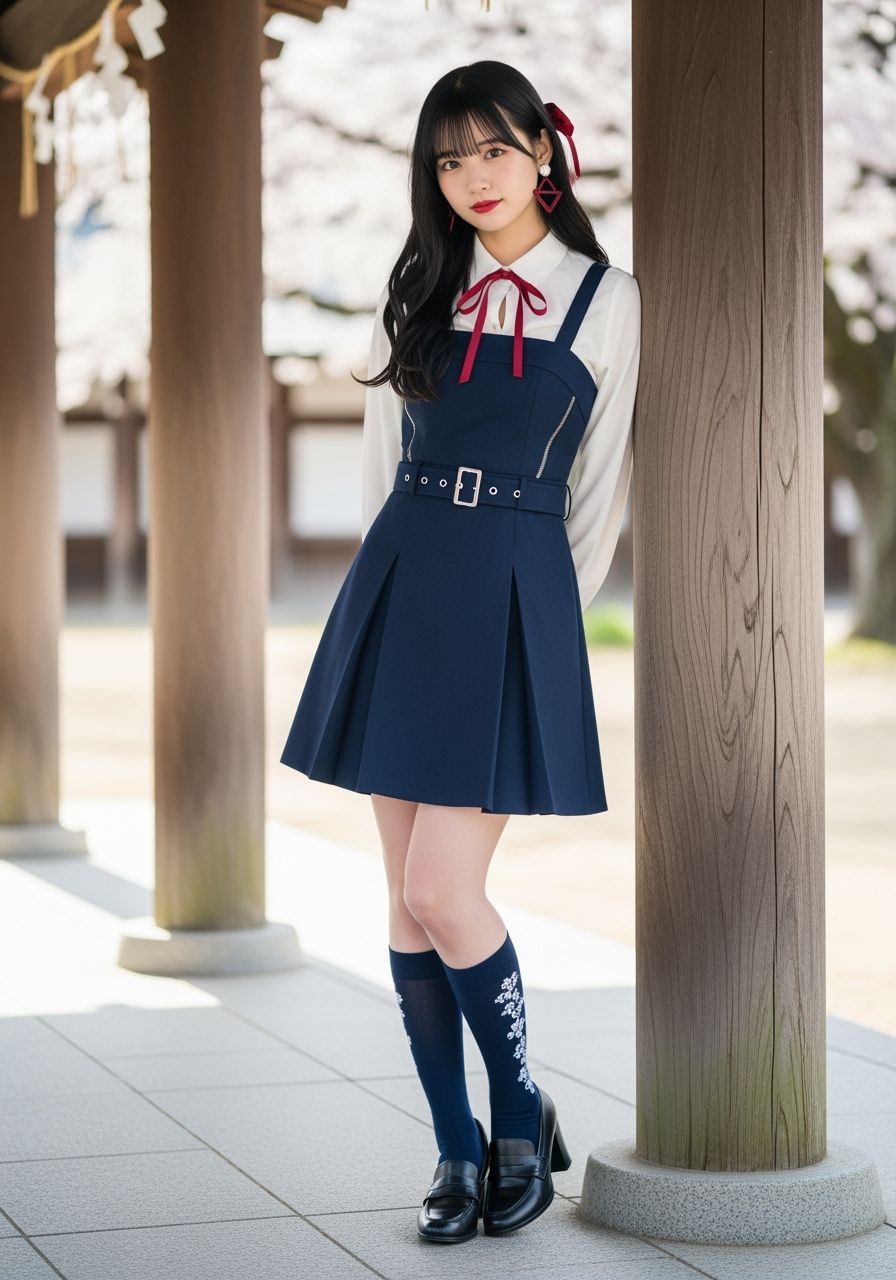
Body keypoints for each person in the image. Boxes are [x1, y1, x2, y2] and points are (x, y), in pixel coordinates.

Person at [280, 59, 641, 1243]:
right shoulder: (422, 295)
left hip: (511, 591)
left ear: (544, 151)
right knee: (401, 900)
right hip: (406, 577)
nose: (472, 177)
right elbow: (388, 458)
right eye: (448, 159)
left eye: (492, 149)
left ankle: (520, 1114)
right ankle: (455, 1145)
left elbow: (595, 497)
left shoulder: (604, 300)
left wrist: (536, 618)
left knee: (445, 888)